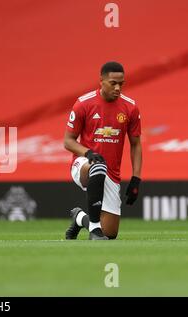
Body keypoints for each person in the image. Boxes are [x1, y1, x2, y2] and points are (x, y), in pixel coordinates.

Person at [64, 61, 142, 240]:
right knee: (98, 166)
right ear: (101, 81)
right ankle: (94, 232)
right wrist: (88, 153)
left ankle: (79, 218)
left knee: (110, 233)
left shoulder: (130, 108)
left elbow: (136, 144)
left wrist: (136, 178)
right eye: (112, 83)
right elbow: (68, 141)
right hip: (84, 163)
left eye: (121, 84)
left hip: (112, 173)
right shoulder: (83, 104)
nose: (117, 88)